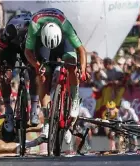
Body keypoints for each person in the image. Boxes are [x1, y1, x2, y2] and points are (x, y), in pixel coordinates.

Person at [24, 8, 88, 143]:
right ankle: (47, 121)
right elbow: (28, 51)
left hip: (63, 40)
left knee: (71, 63)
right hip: (43, 42)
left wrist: (82, 70)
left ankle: (74, 98)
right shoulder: (34, 26)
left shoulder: (66, 26)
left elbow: (81, 50)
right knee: (42, 75)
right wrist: (37, 65)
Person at [0, 12, 40, 127]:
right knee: (6, 76)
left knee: (35, 72)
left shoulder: (38, 33)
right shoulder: (12, 30)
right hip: (11, 46)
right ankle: (8, 109)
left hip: (29, 49)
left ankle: (34, 108)